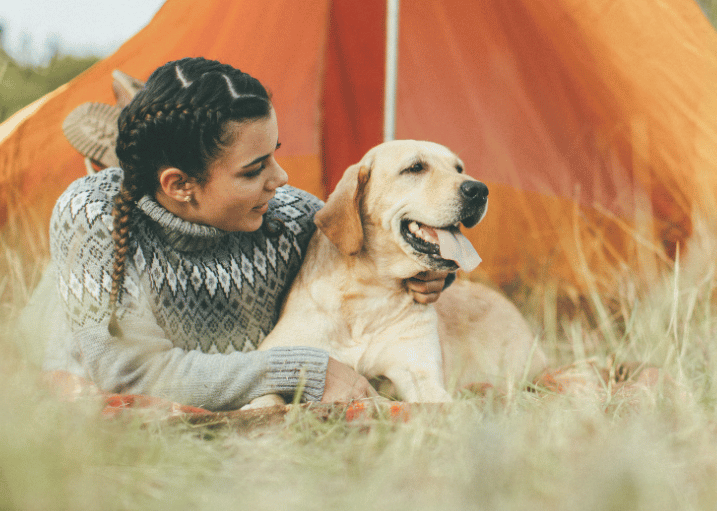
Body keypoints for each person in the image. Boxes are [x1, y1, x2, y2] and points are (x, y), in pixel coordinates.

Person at [31, 57, 449, 411]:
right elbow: (131, 374)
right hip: (85, 338)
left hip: (190, 204)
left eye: (275, 154)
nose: (282, 177)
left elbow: (368, 238)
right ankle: (133, 169)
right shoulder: (92, 213)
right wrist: (302, 369)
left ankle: (151, 150)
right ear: (179, 184)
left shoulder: (290, 214)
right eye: (254, 169)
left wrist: (433, 273)